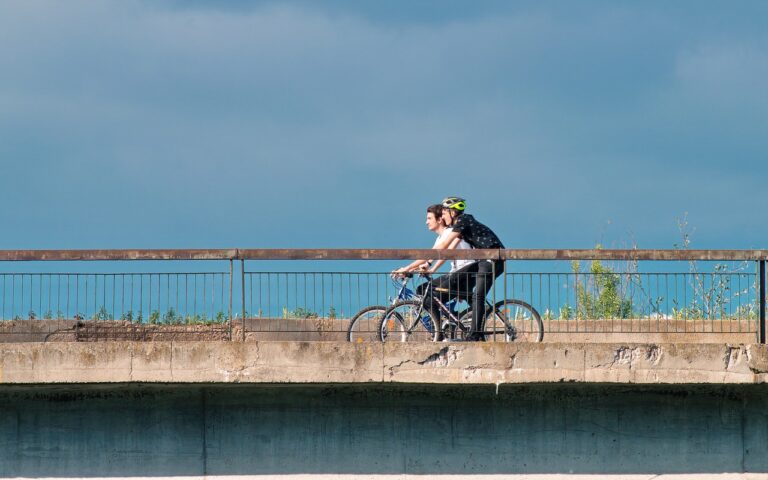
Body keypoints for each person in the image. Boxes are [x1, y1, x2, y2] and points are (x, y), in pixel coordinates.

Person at [429, 196, 505, 341]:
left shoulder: (464, 221)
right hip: (483, 260)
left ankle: (475, 334)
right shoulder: (462, 225)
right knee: (458, 278)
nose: (443, 217)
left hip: (493, 259)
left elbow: (444, 245)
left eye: (444, 213)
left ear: (453, 212)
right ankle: (465, 304)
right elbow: (449, 251)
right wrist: (430, 265)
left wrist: (428, 261)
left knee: (478, 296)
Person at [392, 204, 474, 277]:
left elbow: (431, 254)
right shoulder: (439, 238)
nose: (426, 222)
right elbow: (430, 258)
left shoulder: (449, 232)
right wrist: (410, 270)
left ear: (439, 220)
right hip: (456, 272)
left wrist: (407, 268)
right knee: (422, 289)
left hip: (466, 270)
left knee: (428, 290)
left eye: (429, 218)